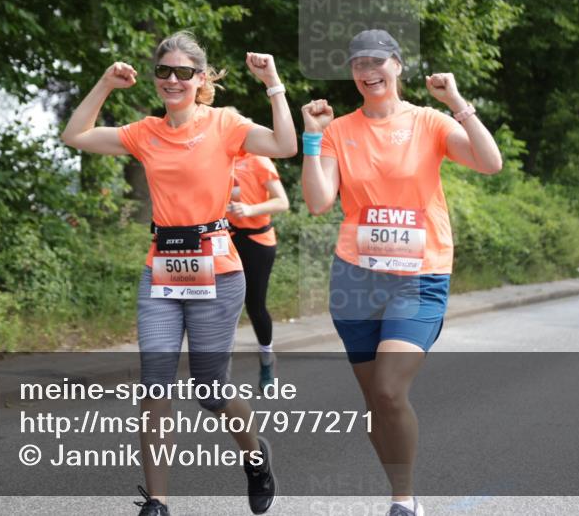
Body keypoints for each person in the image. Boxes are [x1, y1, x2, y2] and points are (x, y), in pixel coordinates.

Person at [61, 31, 297, 516]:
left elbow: (285, 144)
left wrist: (272, 81)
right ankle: (159, 502)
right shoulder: (146, 132)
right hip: (162, 271)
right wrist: (105, 83)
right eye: (164, 71)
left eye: (184, 72)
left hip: (219, 269)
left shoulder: (225, 125)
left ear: (201, 78)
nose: (172, 80)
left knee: (210, 388)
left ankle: (256, 458)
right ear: (155, 79)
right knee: (154, 384)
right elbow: (75, 135)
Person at [301, 29, 502, 516]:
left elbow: (490, 162)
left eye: (377, 61)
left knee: (390, 389)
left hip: (419, 275)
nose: (367, 71)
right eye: (357, 64)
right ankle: (399, 490)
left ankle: (404, 500)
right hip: (355, 279)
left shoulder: (429, 122)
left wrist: (456, 101)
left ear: (397, 64)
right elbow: (318, 201)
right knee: (377, 403)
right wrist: (311, 136)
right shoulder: (338, 131)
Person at [228, 149, 290, 393]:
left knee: (254, 304)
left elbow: (282, 201)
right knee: (223, 306)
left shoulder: (258, 160)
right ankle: (219, 375)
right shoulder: (216, 158)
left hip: (256, 240)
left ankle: (267, 360)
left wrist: (250, 210)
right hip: (224, 239)